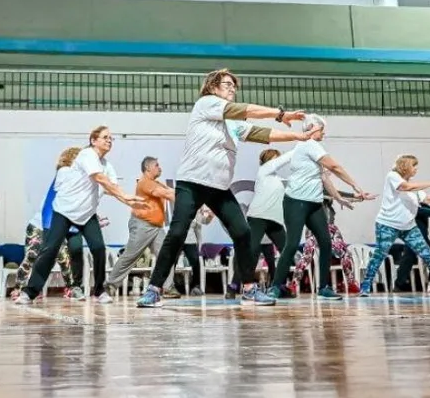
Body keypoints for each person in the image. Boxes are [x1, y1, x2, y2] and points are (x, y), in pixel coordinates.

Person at [137, 69, 317, 308]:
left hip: (218, 187)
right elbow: (247, 109)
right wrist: (280, 113)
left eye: (234, 85)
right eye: (227, 84)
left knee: (243, 233)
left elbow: (261, 133)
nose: (232, 88)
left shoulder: (232, 122)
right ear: (213, 87)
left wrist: (299, 137)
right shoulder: (207, 103)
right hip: (192, 182)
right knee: (178, 233)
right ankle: (153, 289)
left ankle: (249, 289)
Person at [16, 127, 141, 305]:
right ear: (93, 140)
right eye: (105, 137)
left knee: (98, 248)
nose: (109, 141)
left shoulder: (107, 165)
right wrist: (126, 196)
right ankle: (30, 292)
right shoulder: (87, 155)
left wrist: (129, 202)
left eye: (111, 138)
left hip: (86, 215)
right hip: (64, 211)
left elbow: (112, 188)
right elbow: (100, 179)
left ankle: (99, 291)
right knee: (50, 250)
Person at [268, 120, 371, 301]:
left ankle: (323, 287)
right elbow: (335, 167)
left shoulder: (312, 149)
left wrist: (339, 198)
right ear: (311, 129)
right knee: (291, 245)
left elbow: (324, 177)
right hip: (296, 202)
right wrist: (356, 186)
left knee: (326, 243)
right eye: (322, 130)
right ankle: (275, 287)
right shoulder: (309, 144)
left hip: (314, 204)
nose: (324, 134)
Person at [358, 155, 430, 296]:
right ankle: (366, 285)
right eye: (414, 166)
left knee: (427, 254)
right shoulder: (392, 176)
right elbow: (405, 187)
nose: (416, 169)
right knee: (379, 254)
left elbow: (426, 199)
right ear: (406, 166)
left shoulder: (414, 188)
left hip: (409, 227)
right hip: (388, 225)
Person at [13, 149, 84, 298]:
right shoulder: (64, 175)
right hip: (39, 226)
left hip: (57, 227)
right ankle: (20, 288)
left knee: (64, 258)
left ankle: (71, 288)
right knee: (32, 256)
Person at [287, 174, 367, 294]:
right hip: (314, 228)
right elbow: (336, 194)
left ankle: (350, 283)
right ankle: (294, 284)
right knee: (307, 254)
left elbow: (339, 196)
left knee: (345, 252)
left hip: (331, 229)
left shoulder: (328, 196)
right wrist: (356, 195)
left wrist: (361, 197)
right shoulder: (315, 191)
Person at [105, 156, 172, 295]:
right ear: (148, 168)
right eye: (157, 165)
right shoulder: (145, 182)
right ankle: (110, 285)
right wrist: (188, 200)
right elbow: (165, 193)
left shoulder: (156, 182)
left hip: (157, 228)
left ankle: (167, 287)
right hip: (143, 225)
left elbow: (169, 191)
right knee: (130, 255)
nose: (160, 168)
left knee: (167, 254)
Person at [246, 149, 288, 281]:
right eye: (275, 159)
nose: (277, 162)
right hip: (258, 217)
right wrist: (303, 145)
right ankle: (235, 285)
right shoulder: (263, 170)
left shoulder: (277, 179)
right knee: (251, 251)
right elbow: (286, 159)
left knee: (287, 250)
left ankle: (278, 285)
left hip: (274, 220)